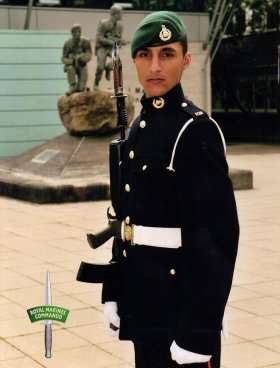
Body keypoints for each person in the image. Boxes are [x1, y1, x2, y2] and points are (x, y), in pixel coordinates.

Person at [102, 11, 239, 368]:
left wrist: (198, 333)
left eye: (167, 54)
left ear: (186, 60)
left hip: (181, 304)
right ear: (134, 62)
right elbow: (125, 216)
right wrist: (114, 289)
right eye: (145, 55)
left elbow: (217, 239)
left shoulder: (195, 131)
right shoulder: (137, 130)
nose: (155, 66)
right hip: (143, 296)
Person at [93, 5, 124, 89]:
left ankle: (108, 68)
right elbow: (99, 37)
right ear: (115, 14)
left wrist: (120, 43)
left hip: (111, 48)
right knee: (100, 67)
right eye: (121, 13)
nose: (122, 15)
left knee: (118, 62)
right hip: (102, 47)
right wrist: (112, 41)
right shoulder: (103, 23)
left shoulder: (120, 26)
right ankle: (96, 83)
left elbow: (119, 39)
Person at [62, 24, 92, 95]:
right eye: (76, 32)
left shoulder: (85, 42)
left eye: (79, 31)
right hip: (72, 65)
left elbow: (89, 54)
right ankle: (72, 86)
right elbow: (63, 58)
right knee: (70, 68)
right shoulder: (68, 43)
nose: (78, 34)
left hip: (81, 64)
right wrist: (71, 61)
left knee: (81, 88)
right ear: (72, 33)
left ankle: (81, 87)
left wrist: (82, 58)